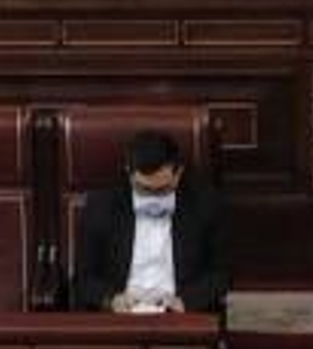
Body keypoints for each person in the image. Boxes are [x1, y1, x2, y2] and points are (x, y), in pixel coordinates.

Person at [73, 130, 228, 313]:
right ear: (129, 172)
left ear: (178, 173)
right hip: (120, 313)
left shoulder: (206, 205)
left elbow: (221, 273)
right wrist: (111, 300)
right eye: (143, 189)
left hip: (180, 313)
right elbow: (84, 277)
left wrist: (186, 301)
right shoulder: (101, 207)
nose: (153, 198)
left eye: (162, 189)